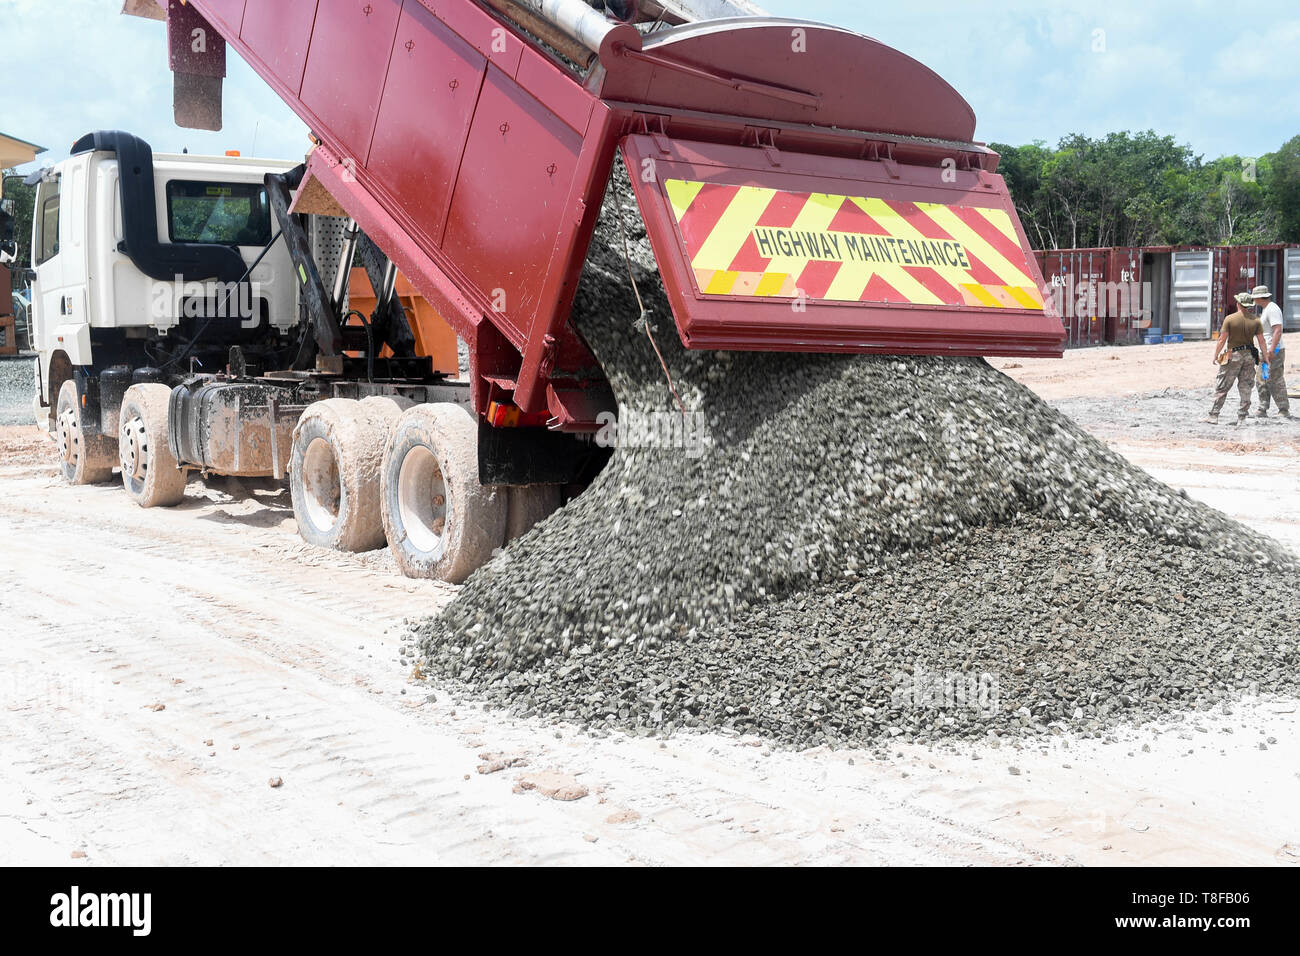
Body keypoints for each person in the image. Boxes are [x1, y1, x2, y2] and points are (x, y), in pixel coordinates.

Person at [1206, 292, 1269, 424]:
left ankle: (1214, 415)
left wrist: (1215, 355)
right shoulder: (1256, 320)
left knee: (1223, 386)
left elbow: (1222, 339)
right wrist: (1266, 357)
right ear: (1249, 306)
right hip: (1250, 357)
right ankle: (1242, 417)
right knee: (1246, 387)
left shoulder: (1230, 319)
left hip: (1232, 355)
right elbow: (1262, 341)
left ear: (1238, 304)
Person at [1251, 284, 1291, 419]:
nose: (1254, 301)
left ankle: (1281, 409)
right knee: (1264, 378)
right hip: (1268, 350)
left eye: (1254, 298)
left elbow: (1277, 330)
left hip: (1273, 350)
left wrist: (1272, 350)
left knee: (1271, 378)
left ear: (1259, 298)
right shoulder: (1267, 309)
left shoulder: (1272, 309)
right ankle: (1264, 408)